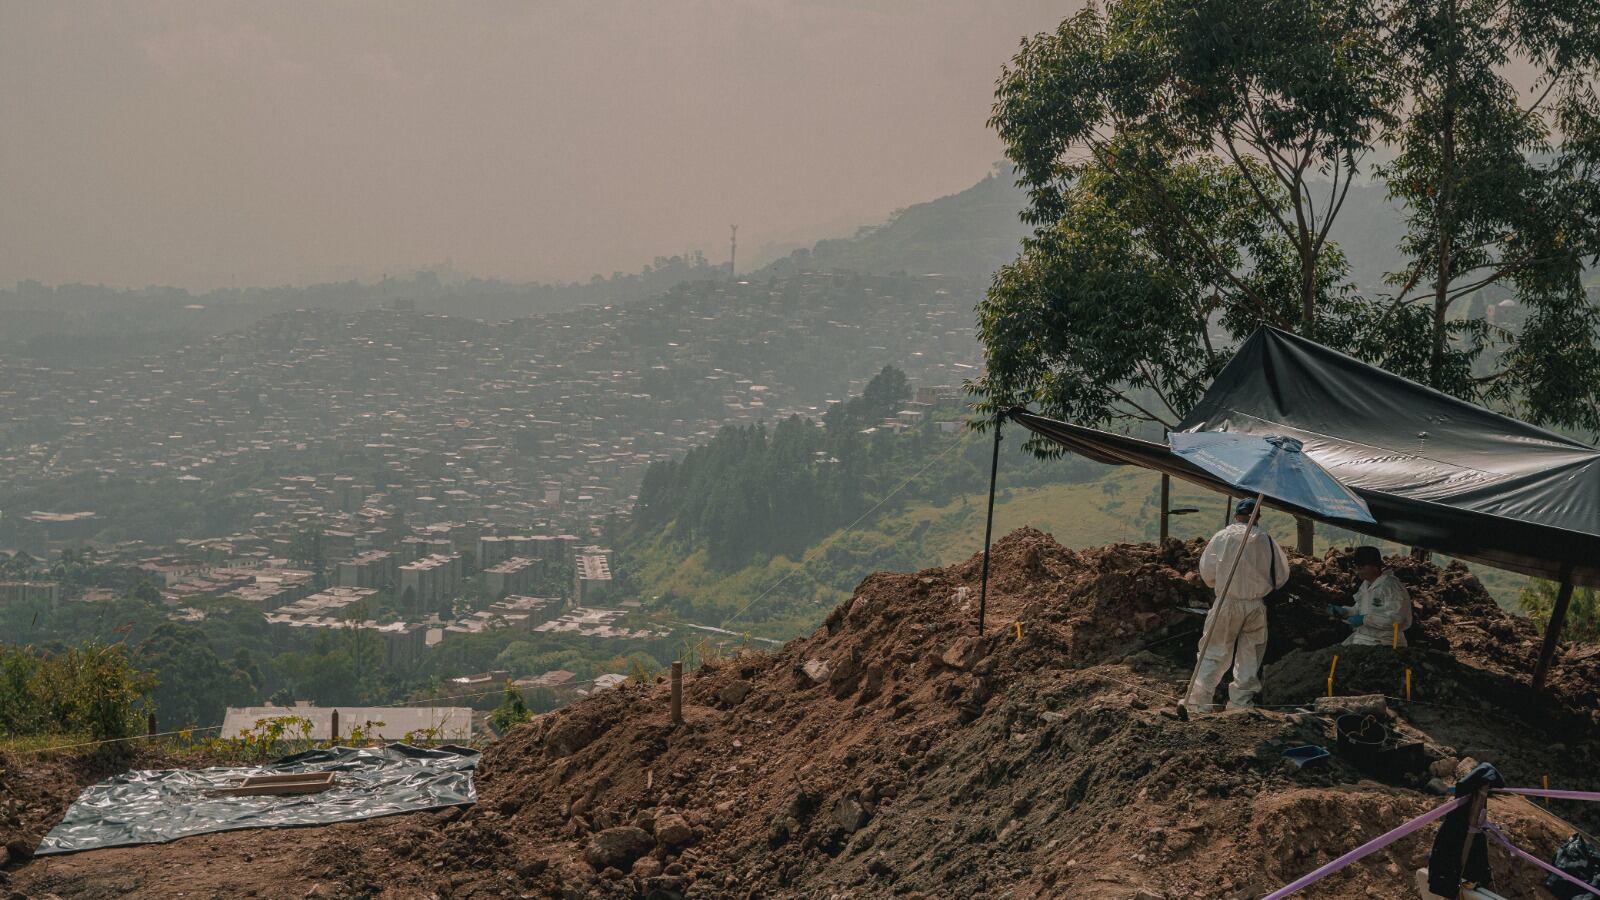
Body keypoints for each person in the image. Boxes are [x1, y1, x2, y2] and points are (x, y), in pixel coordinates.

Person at [1182, 498, 1290, 713]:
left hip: (1227, 602)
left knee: (1213, 652)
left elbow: (1207, 574)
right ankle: (1241, 704)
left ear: (1236, 515)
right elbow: (1281, 576)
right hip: (1255, 605)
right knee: (1250, 656)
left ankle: (1199, 703)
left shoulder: (1221, 537)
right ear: (1257, 517)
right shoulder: (1266, 540)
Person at [1329, 545, 1413, 646]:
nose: (1358, 571)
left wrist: (1365, 620)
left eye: (1362, 567)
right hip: (1364, 638)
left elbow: (1396, 619)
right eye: (1357, 567)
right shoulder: (1366, 585)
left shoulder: (1391, 586)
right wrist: (1346, 612)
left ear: (1375, 566)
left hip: (1387, 642)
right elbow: (1360, 609)